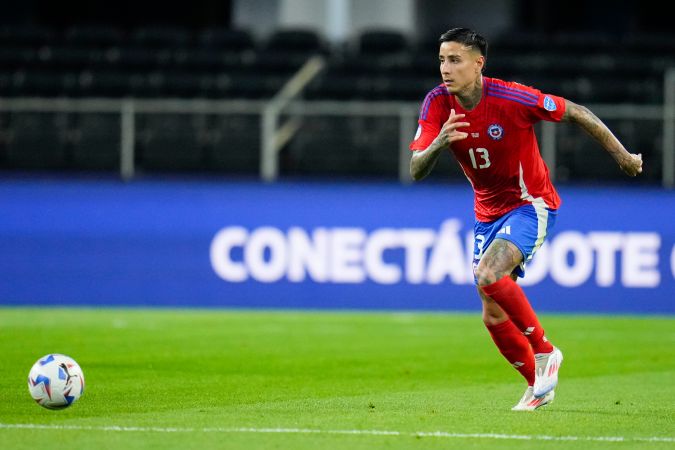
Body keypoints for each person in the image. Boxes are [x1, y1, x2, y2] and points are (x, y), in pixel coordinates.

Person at [409, 28, 643, 411]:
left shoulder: (512, 97)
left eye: (454, 60)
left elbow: (577, 113)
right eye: (441, 60)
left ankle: (546, 351)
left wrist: (622, 156)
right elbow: (416, 169)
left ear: (478, 63)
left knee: (488, 274)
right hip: (486, 213)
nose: (445, 69)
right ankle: (538, 386)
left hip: (529, 203)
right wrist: (438, 143)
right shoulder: (436, 104)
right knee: (492, 313)